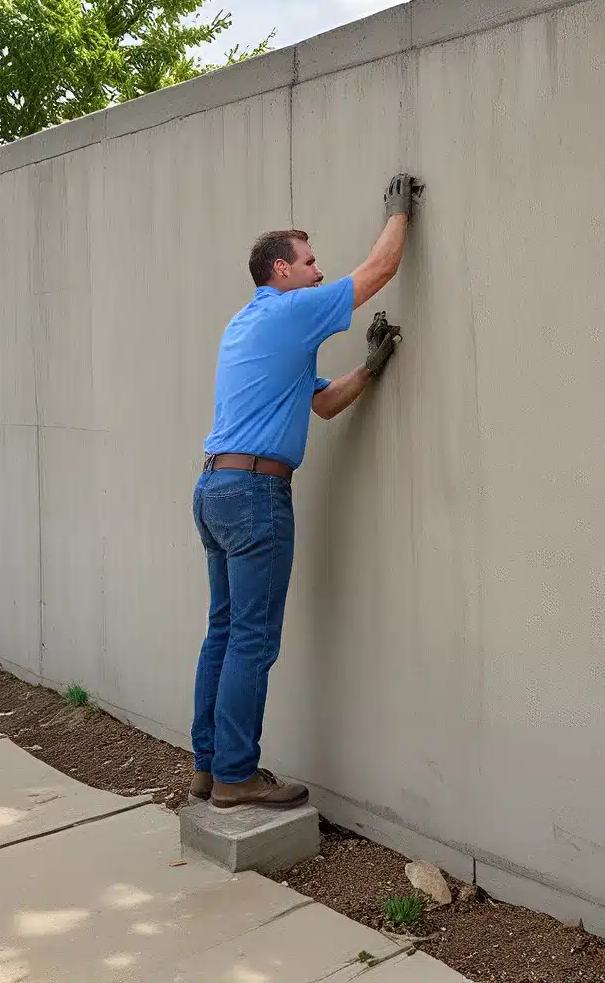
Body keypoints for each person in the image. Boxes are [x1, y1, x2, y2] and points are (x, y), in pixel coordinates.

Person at [188, 173, 423, 812]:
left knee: (224, 632)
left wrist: (369, 369)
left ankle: (209, 768)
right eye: (311, 261)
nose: (320, 272)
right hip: (255, 498)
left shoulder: (250, 327)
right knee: (252, 641)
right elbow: (378, 271)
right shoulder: (290, 312)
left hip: (216, 490)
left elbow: (320, 405)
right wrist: (400, 213)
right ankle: (238, 774)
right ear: (282, 270)